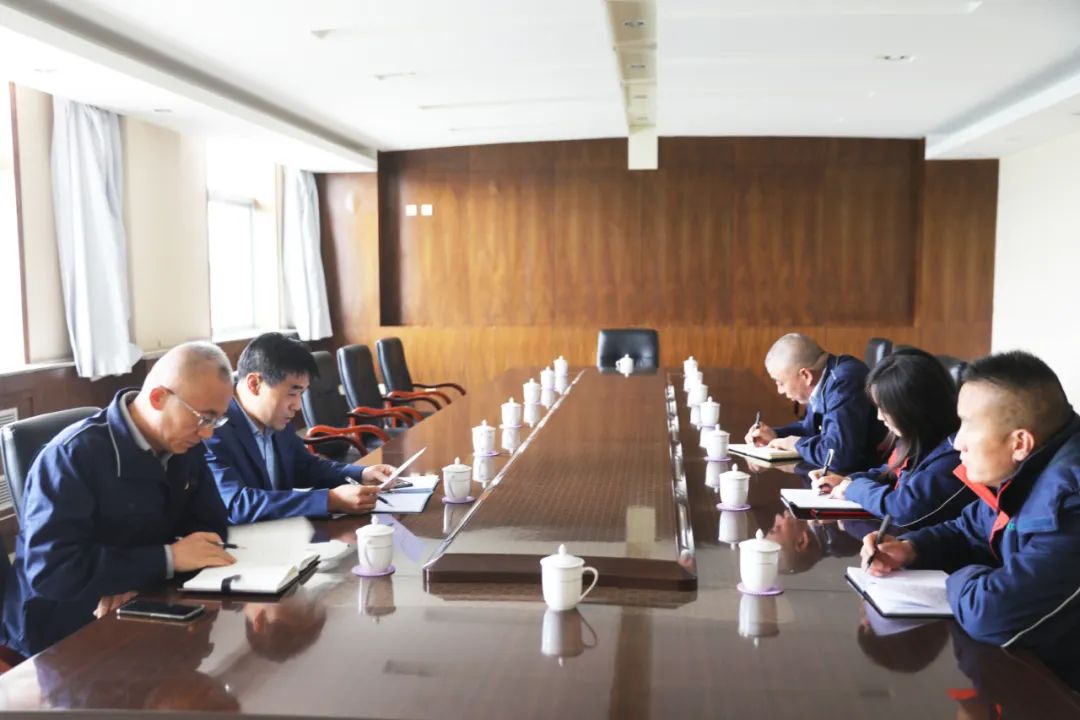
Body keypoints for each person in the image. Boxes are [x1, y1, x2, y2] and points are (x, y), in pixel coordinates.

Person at [2, 343, 238, 657]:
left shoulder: (184, 445)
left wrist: (138, 578)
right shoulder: (71, 457)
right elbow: (52, 570)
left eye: (216, 421)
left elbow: (210, 530)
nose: (208, 434)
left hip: (143, 604)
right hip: (60, 630)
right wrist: (167, 559)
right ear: (158, 398)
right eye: (203, 417)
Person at [861, 351, 1080, 689]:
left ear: (1020, 442)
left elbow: (992, 613)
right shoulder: (1028, 468)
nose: (957, 442)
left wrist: (960, 577)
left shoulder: (1070, 500)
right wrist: (911, 547)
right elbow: (968, 528)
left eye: (968, 425)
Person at [203, 333, 395, 524]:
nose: (297, 406)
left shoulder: (273, 417)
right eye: (292, 393)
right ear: (255, 384)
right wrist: (329, 500)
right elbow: (237, 504)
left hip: (283, 531)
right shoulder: (212, 428)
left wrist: (361, 474)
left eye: (301, 394)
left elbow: (304, 466)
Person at [811, 348, 974, 529]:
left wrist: (854, 488)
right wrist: (847, 481)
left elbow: (903, 510)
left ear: (912, 408)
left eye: (885, 409)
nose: (879, 417)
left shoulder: (956, 455)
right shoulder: (917, 438)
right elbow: (891, 473)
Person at [744, 333, 885, 473]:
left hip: (867, 476)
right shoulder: (825, 376)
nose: (780, 390)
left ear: (806, 375)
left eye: (780, 383)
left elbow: (837, 456)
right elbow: (811, 429)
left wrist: (795, 444)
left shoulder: (843, 383)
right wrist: (776, 434)